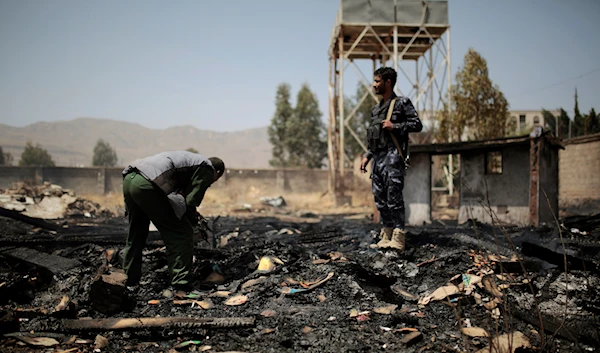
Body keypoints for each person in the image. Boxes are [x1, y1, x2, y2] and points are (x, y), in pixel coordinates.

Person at [121, 151, 225, 291]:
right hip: (147, 184)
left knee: (136, 233)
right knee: (182, 232)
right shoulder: (207, 168)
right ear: (217, 172)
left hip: (130, 179)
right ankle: (182, 285)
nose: (210, 184)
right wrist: (191, 220)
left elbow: (175, 196)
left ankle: (129, 281)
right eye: (214, 180)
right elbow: (191, 201)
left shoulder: (190, 163)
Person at [360, 67, 423, 251]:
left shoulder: (402, 103)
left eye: (377, 81)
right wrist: (366, 157)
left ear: (388, 82)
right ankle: (386, 232)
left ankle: (399, 235)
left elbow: (417, 124)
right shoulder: (376, 109)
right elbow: (374, 138)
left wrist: (395, 125)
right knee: (380, 198)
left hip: (393, 157)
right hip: (377, 160)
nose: (374, 85)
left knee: (393, 197)